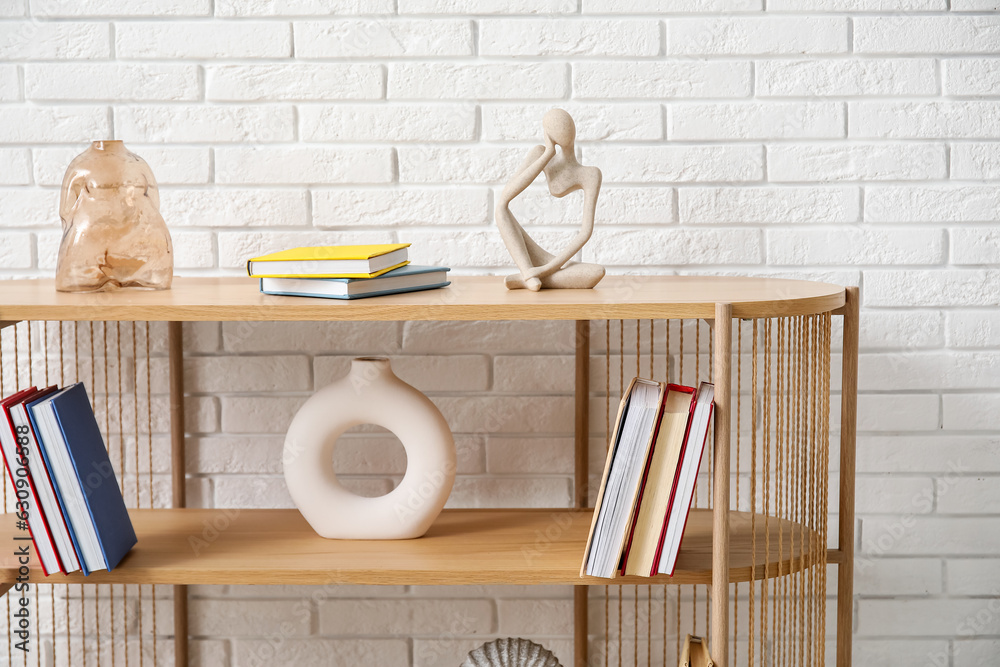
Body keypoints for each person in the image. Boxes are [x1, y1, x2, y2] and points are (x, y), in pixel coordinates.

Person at [495, 109, 605, 291]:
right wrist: (547, 154)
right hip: (529, 254)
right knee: (500, 210)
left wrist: (546, 269)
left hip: (552, 262)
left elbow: (585, 233)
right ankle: (528, 273)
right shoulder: (540, 154)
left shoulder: (590, 174)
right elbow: (506, 197)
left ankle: (527, 277)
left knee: (596, 272)